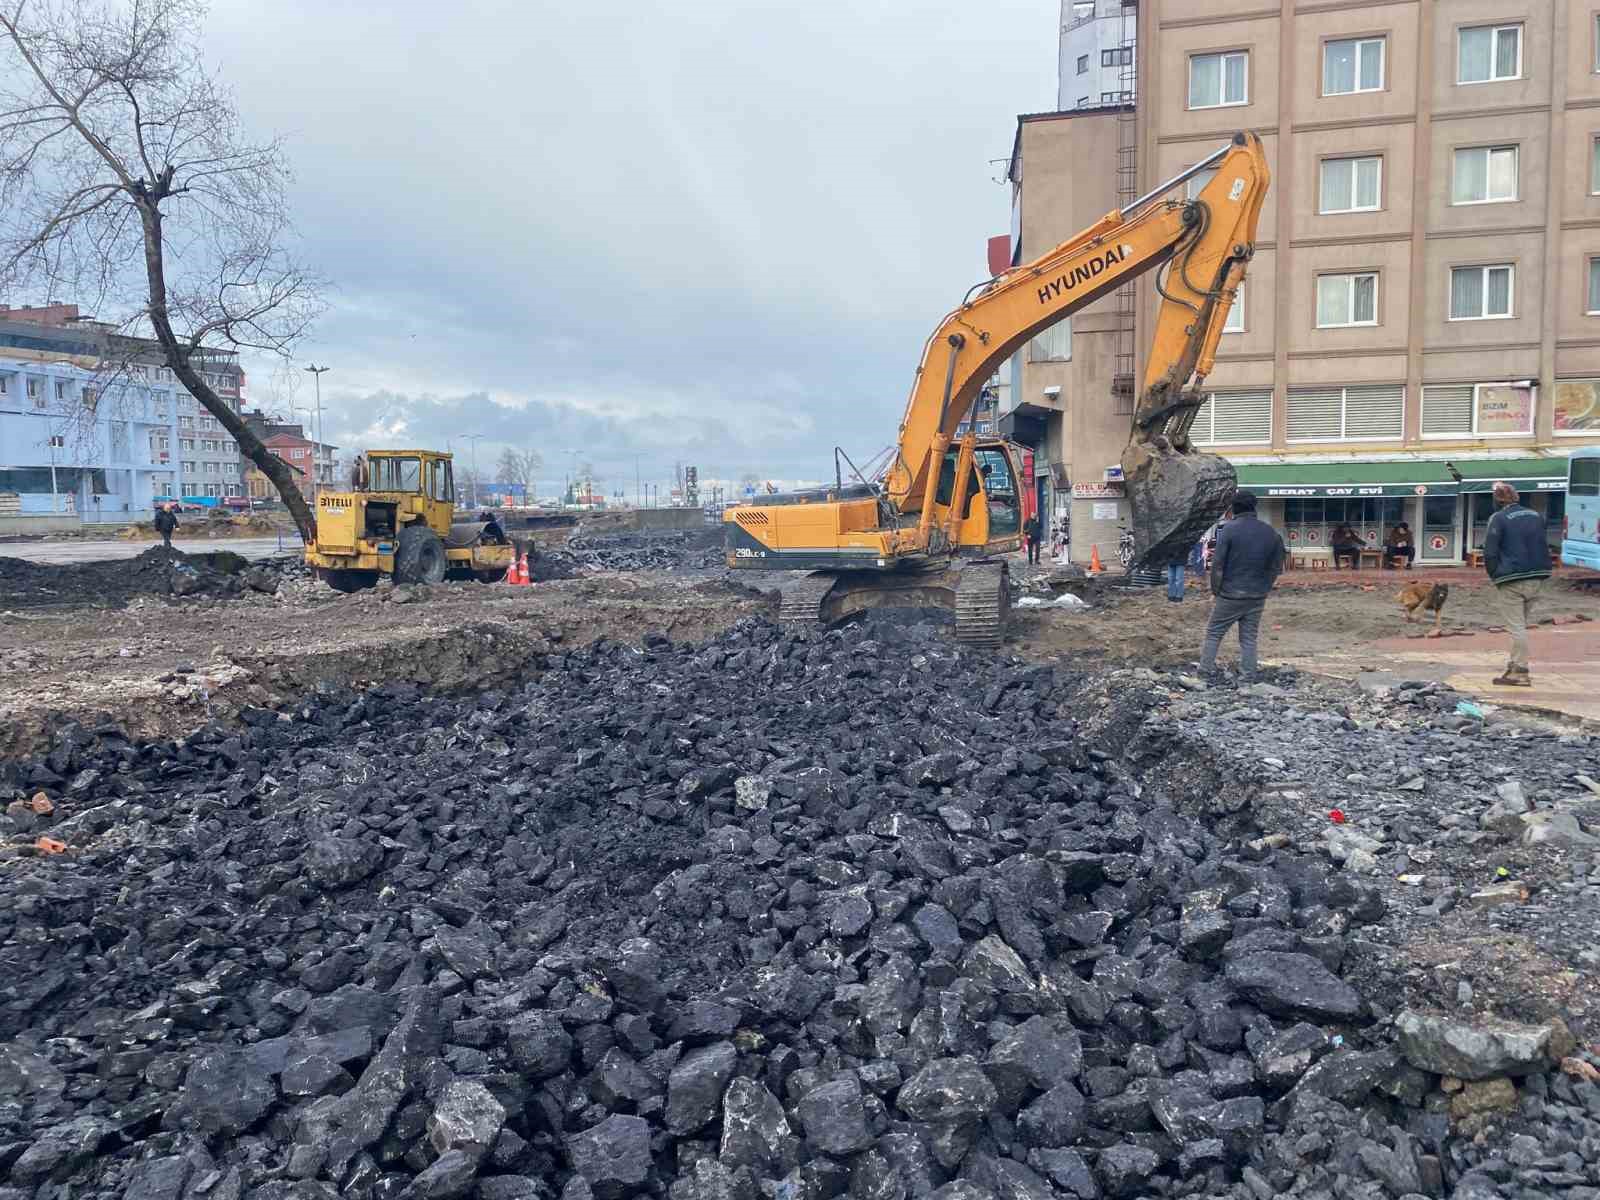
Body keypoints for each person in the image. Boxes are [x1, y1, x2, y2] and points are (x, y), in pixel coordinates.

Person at [1199, 490, 1286, 677]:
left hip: (1230, 594)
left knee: (1214, 632)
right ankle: (1248, 673)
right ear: (1254, 507)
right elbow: (1277, 567)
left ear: (1233, 508)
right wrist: (1264, 588)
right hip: (1257, 595)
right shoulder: (1270, 532)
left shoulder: (1229, 530)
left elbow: (1218, 565)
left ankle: (1205, 670)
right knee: (1249, 637)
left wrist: (1216, 591)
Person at [1482, 481, 1552, 687]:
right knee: (1520, 625)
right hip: (1538, 576)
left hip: (1511, 578)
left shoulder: (1498, 518)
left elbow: (1490, 552)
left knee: (1516, 628)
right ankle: (1513, 666)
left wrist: (1494, 575)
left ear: (1497, 500)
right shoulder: (1537, 516)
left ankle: (1520, 671)